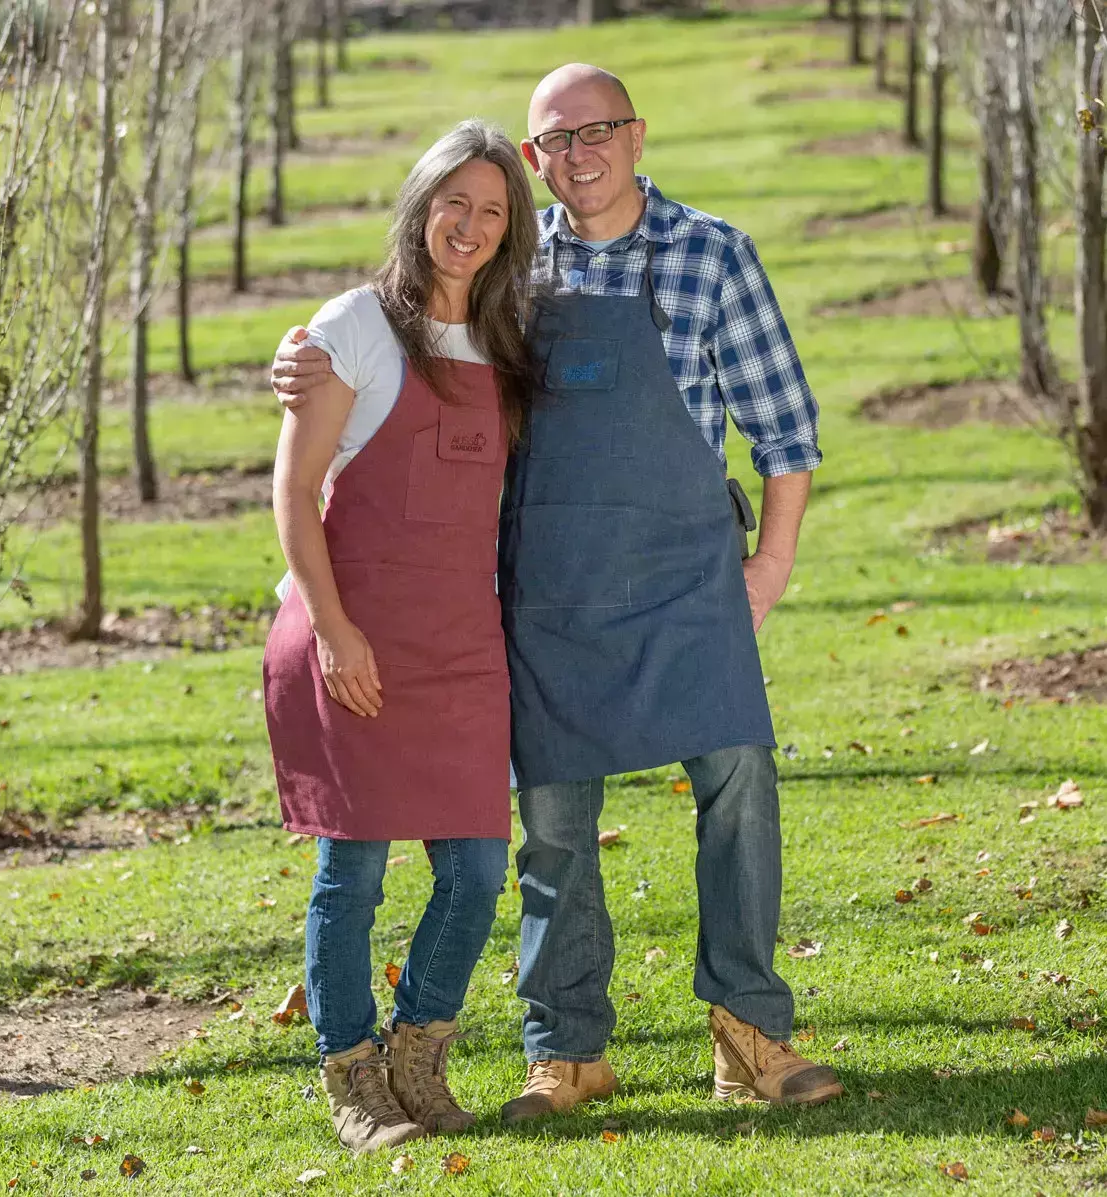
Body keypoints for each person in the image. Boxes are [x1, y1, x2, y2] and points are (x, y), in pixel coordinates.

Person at [270, 65, 843, 1124]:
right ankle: (567, 1050)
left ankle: (748, 1029)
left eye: (598, 132)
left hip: (687, 580)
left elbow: (787, 431)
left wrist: (770, 564)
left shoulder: (712, 254)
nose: (578, 156)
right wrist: (303, 353)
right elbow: (402, 333)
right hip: (544, 592)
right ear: (535, 162)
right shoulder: (512, 276)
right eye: (555, 142)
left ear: (636, 133)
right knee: (554, 826)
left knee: (739, 784)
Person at [262, 119, 537, 1154]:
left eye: (492, 211)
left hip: (463, 644)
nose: (466, 226)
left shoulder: (508, 339)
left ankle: (417, 1052)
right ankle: (351, 1076)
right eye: (452, 202)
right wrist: (335, 632)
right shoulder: (356, 325)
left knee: (472, 871)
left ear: (510, 233)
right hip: (356, 639)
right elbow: (293, 491)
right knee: (356, 873)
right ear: (420, 205)